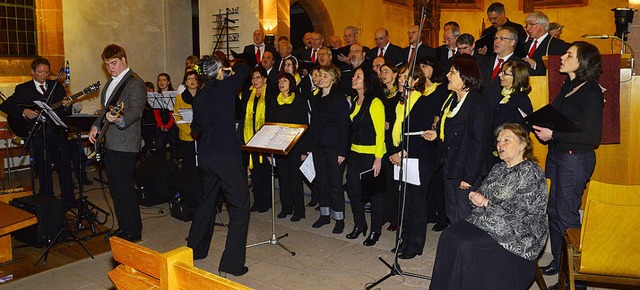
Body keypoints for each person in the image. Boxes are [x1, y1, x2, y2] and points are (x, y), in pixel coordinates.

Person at [430, 123, 548, 290]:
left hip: (519, 233)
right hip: (489, 221)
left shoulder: (530, 172)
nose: (500, 144)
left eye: (507, 140)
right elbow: (485, 194)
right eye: (499, 141)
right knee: (448, 236)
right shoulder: (498, 168)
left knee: (466, 246)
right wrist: (475, 196)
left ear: (523, 145)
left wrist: (485, 203)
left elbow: (519, 215)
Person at [534, 42, 603, 287]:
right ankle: (559, 262)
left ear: (582, 62)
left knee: (566, 214)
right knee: (553, 212)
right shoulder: (570, 85)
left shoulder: (591, 90)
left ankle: (577, 279)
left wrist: (554, 135)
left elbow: (592, 137)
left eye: (569, 54)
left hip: (574, 158)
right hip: (558, 155)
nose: (562, 57)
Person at [187, 55, 251, 277]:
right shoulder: (225, 87)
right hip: (226, 158)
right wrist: (229, 68)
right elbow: (245, 68)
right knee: (240, 206)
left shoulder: (201, 95)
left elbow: (195, 127)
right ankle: (231, 264)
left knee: (207, 203)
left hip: (206, 158)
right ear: (220, 70)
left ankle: (194, 250)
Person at [423, 55, 492, 224]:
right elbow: (450, 128)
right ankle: (457, 247)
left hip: (465, 170)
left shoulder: (477, 103)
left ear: (466, 77)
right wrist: (437, 133)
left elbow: (479, 143)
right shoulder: (451, 99)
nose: (447, 75)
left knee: (465, 214)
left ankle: (468, 249)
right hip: (450, 166)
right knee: (452, 211)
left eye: (453, 72)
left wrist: (469, 177)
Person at [0, 57, 75, 209]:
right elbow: (5, 106)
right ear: (32, 72)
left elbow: (65, 111)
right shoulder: (23, 89)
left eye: (47, 72)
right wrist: (23, 111)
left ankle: (69, 201)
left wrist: (67, 106)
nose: (44, 75)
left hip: (57, 133)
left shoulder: (57, 86)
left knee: (65, 168)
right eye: (40, 72)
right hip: (38, 135)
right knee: (43, 169)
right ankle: (48, 200)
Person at [89, 44, 147, 242]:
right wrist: (96, 126)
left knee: (124, 188)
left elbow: (136, 111)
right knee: (116, 188)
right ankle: (124, 227)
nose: (110, 68)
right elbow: (105, 109)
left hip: (126, 143)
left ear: (124, 60)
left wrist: (120, 120)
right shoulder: (110, 83)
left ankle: (133, 231)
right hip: (111, 142)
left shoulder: (135, 83)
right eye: (107, 65)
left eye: (114, 63)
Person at [345, 67, 386, 245]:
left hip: (371, 155)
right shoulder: (355, 100)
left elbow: (380, 133)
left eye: (358, 76)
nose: (354, 78)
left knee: (374, 195)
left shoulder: (375, 102)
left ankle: (375, 230)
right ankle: (359, 225)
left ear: (367, 81)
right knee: (353, 191)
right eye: (354, 76)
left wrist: (378, 159)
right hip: (355, 153)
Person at [308, 64, 350, 234]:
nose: (321, 79)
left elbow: (344, 127)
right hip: (319, 147)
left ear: (333, 79)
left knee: (335, 185)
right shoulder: (315, 98)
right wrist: (311, 147)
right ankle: (324, 215)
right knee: (321, 182)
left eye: (325, 76)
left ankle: (339, 218)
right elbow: (314, 125)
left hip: (334, 148)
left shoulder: (339, 99)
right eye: (320, 76)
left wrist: (342, 152)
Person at [266, 72, 309, 221]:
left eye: (285, 80)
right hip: (279, 146)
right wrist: (268, 148)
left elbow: (305, 125)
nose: (281, 83)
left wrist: (304, 150)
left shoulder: (299, 100)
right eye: (279, 81)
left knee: (295, 178)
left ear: (291, 83)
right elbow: (269, 124)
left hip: (295, 145)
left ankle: (299, 210)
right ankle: (286, 207)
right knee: (283, 178)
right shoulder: (273, 101)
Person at [239, 66, 275, 213]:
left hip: (265, 136)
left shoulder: (271, 93)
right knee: (254, 172)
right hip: (250, 137)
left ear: (265, 79)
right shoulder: (248, 94)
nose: (255, 80)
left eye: (258, 77)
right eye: (253, 78)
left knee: (265, 171)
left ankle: (266, 201)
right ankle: (258, 201)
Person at [379, 62, 400, 232]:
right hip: (382, 140)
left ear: (395, 73)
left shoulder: (400, 94)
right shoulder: (380, 94)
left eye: (386, 71)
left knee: (395, 182)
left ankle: (396, 217)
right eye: (381, 72)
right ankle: (386, 213)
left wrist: (390, 122)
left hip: (395, 141)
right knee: (384, 180)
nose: (383, 74)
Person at [522, 11, 568, 76]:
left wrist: (535, 65)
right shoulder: (525, 44)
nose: (527, 29)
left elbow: (557, 68)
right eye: (526, 26)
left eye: (531, 25)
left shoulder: (556, 44)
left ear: (543, 26)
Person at [493, 59, 533, 132]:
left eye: (504, 73)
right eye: (501, 72)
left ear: (516, 77)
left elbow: (524, 129)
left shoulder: (521, 99)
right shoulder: (500, 94)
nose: (499, 75)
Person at [173, 70, 199, 170]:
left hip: (200, 135)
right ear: (185, 82)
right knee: (188, 164)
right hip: (186, 135)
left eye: (194, 79)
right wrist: (190, 131)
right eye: (189, 79)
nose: (192, 81)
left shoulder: (203, 96)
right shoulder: (179, 98)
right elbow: (177, 117)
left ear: (198, 82)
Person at [153, 73, 178, 160]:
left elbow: (174, 113)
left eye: (164, 80)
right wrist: (161, 125)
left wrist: (167, 126)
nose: (161, 82)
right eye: (159, 80)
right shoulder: (156, 96)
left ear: (168, 82)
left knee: (174, 150)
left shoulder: (174, 95)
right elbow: (156, 112)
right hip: (161, 126)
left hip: (172, 125)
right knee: (159, 148)